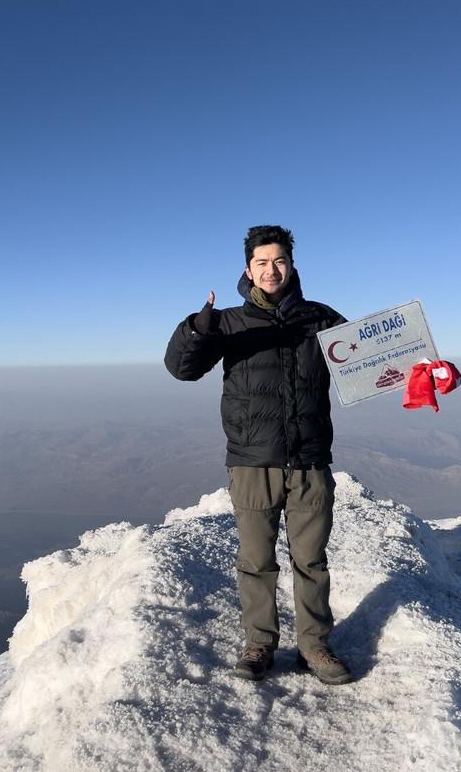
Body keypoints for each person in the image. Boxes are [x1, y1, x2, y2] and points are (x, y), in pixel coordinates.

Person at [163, 225, 353, 685]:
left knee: (311, 560)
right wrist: (195, 328)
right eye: (262, 262)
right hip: (252, 461)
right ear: (248, 269)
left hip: (309, 458)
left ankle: (314, 646)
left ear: (292, 265)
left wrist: (424, 370)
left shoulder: (322, 319)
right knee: (256, 560)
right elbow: (181, 369)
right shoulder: (227, 322)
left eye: (280, 261)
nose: (272, 270)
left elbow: (368, 366)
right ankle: (260, 644)